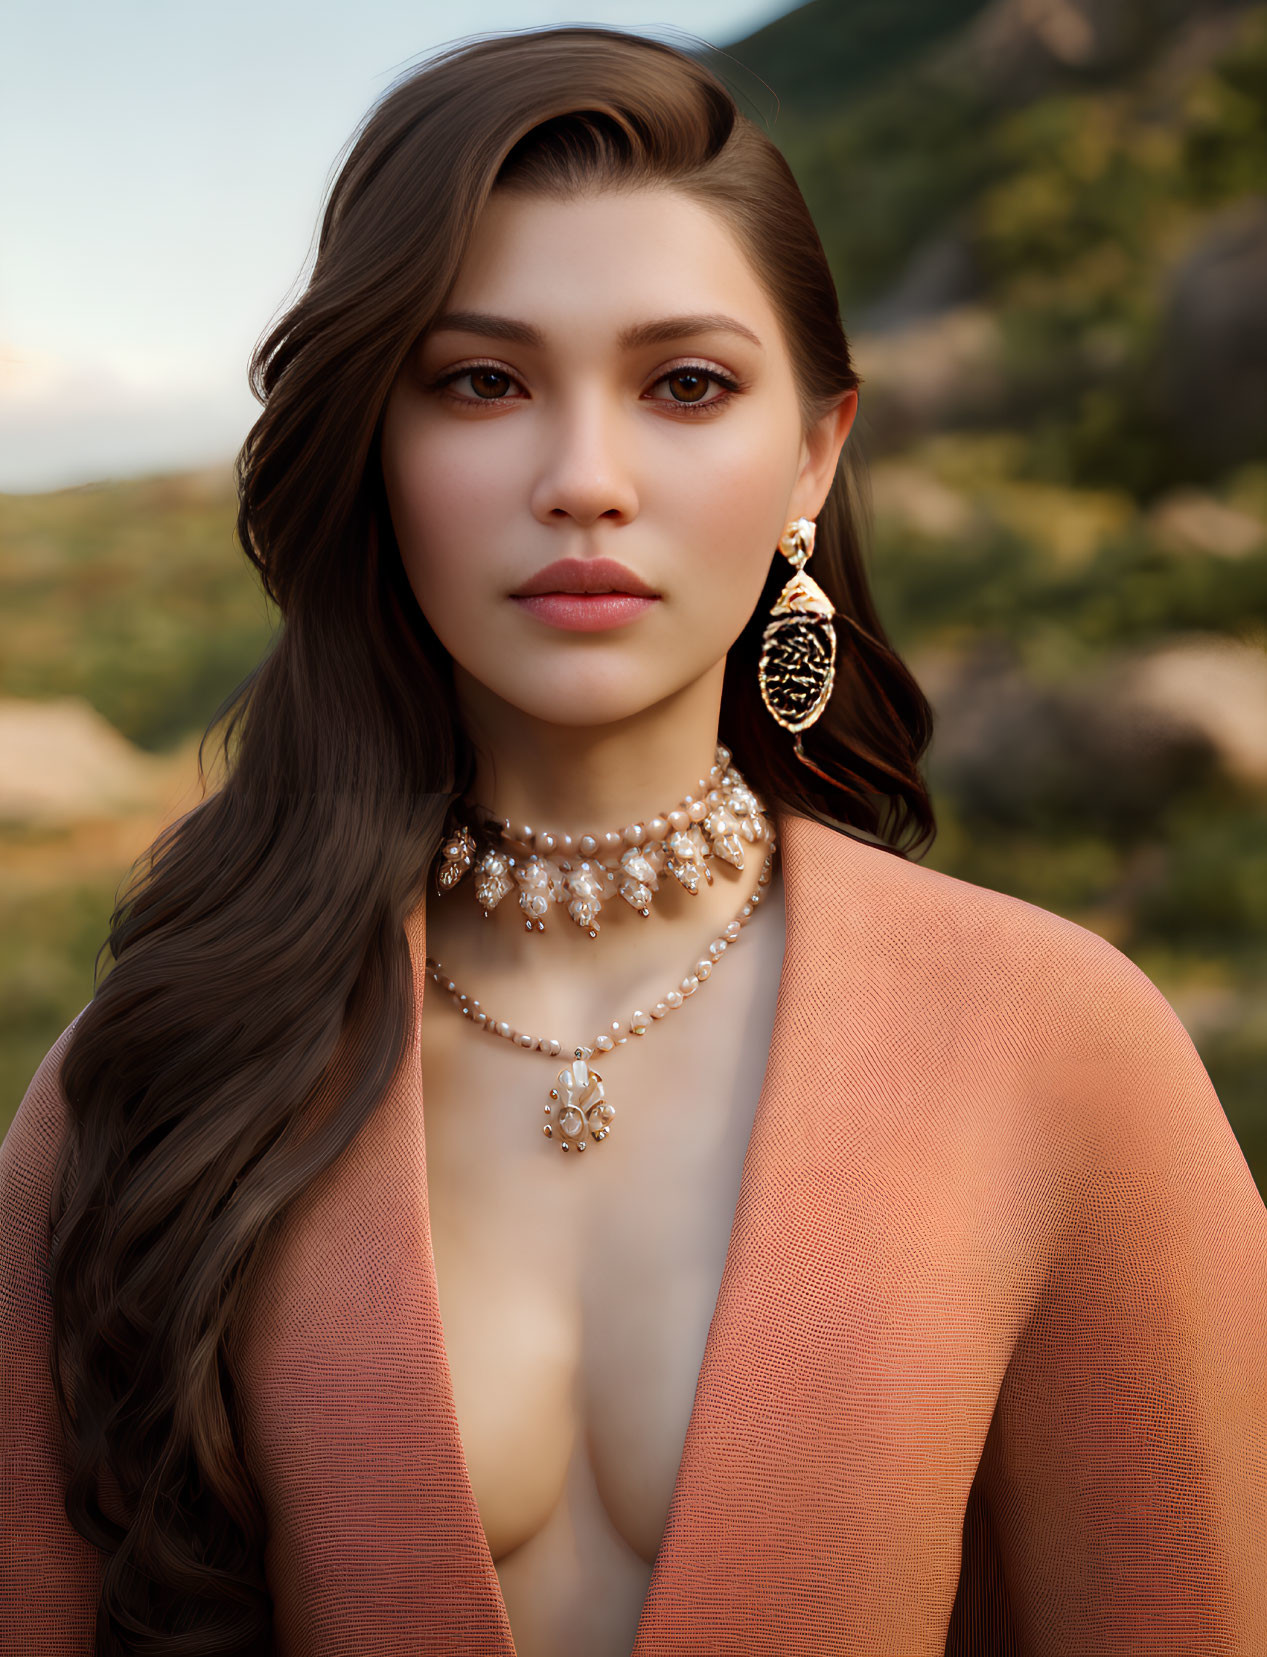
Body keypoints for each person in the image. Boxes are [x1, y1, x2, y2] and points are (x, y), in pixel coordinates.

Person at [2, 23, 1264, 1657]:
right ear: (375, 452)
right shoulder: (159, 1059)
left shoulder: (1061, 1047)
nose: (582, 478)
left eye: (686, 384)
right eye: (479, 382)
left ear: (814, 448)